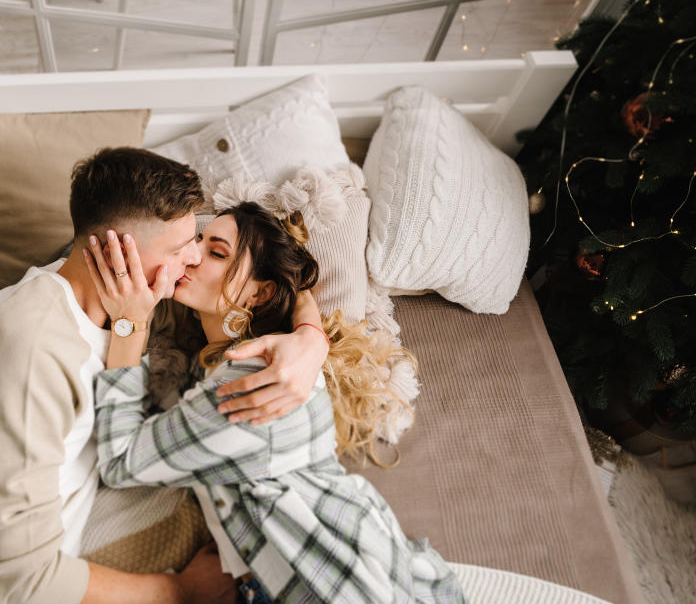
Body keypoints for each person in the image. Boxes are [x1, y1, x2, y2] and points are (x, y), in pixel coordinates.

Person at [0, 148, 332, 604]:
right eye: (183, 248)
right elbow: (27, 583)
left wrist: (311, 336)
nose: (193, 258)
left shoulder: (128, 293)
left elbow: (261, 266)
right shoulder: (34, 354)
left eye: (199, 242)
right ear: (115, 251)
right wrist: (182, 590)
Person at [85, 202, 468, 604]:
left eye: (216, 252)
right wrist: (310, 330)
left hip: (347, 585)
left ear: (260, 293)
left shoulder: (253, 375)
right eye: (197, 241)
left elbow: (120, 460)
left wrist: (130, 323)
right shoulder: (231, 362)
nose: (193, 255)